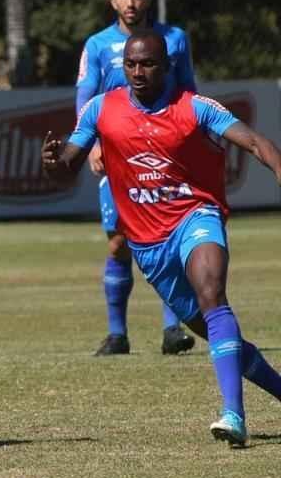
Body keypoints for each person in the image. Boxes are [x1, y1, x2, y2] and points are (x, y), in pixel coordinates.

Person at [44, 29, 281, 447]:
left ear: (168, 66)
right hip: (148, 244)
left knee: (212, 294)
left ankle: (234, 415)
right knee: (213, 331)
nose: (137, 71)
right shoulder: (101, 109)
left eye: (148, 63)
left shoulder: (195, 107)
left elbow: (257, 142)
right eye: (130, 64)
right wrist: (52, 162)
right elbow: (68, 163)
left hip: (196, 216)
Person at [76, 0, 197, 357]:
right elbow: (86, 99)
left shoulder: (175, 39)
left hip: (166, 151)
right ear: (113, 1)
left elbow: (189, 90)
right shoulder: (97, 46)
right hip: (117, 154)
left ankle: (171, 329)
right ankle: (117, 334)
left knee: (169, 235)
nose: (132, 3)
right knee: (118, 242)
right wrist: (91, 143)